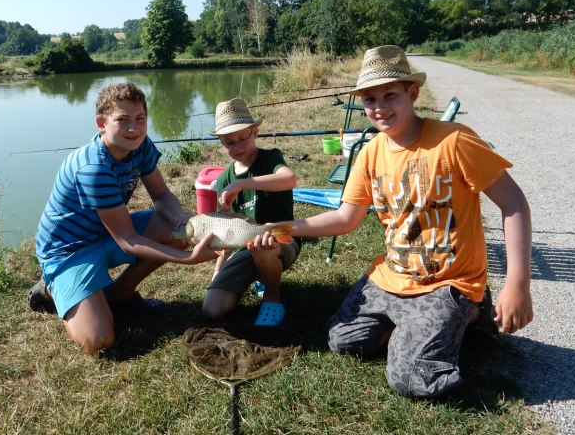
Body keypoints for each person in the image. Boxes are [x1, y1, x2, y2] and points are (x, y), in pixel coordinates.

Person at [254, 45, 533, 397]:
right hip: (391, 275)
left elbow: (514, 204)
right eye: (370, 100)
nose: (380, 107)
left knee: (409, 380)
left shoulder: (454, 141)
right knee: (342, 341)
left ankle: (472, 312)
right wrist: (282, 228)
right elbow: (345, 218)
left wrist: (517, 284)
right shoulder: (371, 152)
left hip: (447, 280)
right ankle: (418, 328)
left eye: (390, 95)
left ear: (412, 93)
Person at [30, 82, 218, 355]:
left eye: (140, 119)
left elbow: (162, 194)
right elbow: (128, 239)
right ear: (101, 123)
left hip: (107, 232)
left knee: (177, 229)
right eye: (123, 120)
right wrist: (189, 259)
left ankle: (120, 296)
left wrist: (192, 223)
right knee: (98, 341)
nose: (134, 128)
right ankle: (51, 287)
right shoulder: (93, 169)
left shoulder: (139, 145)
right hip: (68, 251)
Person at [201, 98, 301, 327]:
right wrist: (218, 271)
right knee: (213, 310)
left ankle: (272, 297)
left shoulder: (270, 158)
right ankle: (258, 276)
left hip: (283, 238)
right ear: (221, 143)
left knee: (262, 243)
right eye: (229, 143)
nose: (237, 147)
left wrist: (242, 184)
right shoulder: (225, 177)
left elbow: (289, 179)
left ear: (255, 132)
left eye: (243, 139)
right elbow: (224, 233)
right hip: (245, 248)